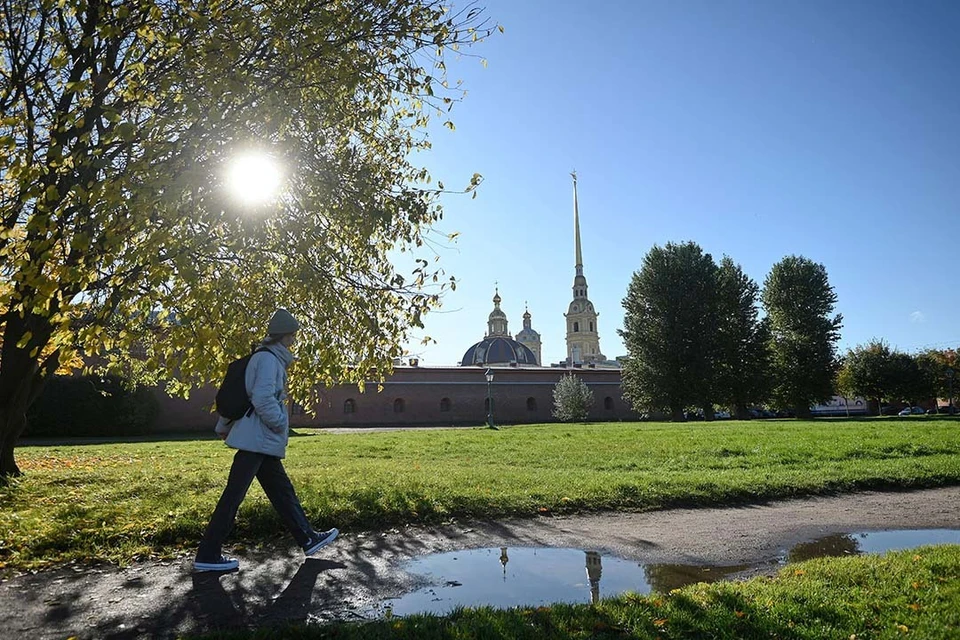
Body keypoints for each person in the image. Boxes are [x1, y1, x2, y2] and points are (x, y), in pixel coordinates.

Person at [194, 308, 338, 572]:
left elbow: (243, 394)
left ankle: (307, 538)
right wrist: (280, 422)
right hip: (258, 437)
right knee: (234, 495)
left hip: (259, 439)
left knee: (282, 491)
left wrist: (224, 425)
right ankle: (208, 554)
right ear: (285, 335)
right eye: (293, 335)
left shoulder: (263, 357)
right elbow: (261, 398)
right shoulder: (269, 360)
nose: (294, 340)